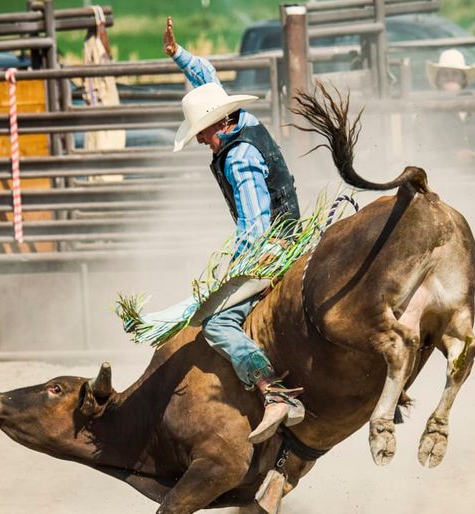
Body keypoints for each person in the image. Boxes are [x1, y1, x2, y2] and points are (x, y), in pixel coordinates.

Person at [163, 17, 304, 442]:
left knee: (217, 324)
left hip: (274, 247)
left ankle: (274, 392)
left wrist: (234, 270)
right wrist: (179, 56)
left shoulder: (239, 157)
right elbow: (207, 80)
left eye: (203, 133)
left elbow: (255, 224)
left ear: (219, 124)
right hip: (293, 234)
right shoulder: (240, 120)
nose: (203, 141)